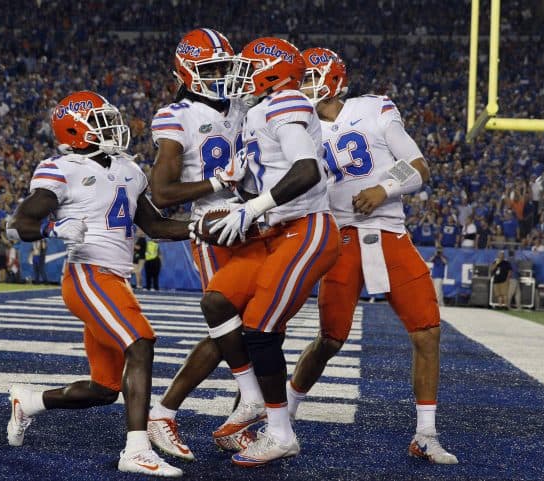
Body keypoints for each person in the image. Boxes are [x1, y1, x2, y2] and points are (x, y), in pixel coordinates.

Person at [5, 90, 190, 477]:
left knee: (105, 389)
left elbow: (156, 227)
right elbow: (21, 223)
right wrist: (53, 230)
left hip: (115, 280)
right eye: (100, 120)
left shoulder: (129, 169)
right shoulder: (62, 167)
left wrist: (206, 226)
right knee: (141, 342)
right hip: (87, 276)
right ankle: (136, 451)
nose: (112, 126)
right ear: (74, 130)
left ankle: (31, 401)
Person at [288, 48, 457, 464]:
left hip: (387, 230)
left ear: (334, 79)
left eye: (309, 77)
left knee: (427, 331)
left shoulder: (374, 108)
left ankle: (425, 433)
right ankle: (282, 419)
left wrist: (384, 189)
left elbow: (418, 165)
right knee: (330, 339)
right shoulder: (294, 125)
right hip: (340, 236)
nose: (302, 85)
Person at [197, 37, 340, 467]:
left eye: (248, 66)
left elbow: (306, 170)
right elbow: (268, 170)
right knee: (218, 301)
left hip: (306, 228)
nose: (239, 75)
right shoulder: (257, 110)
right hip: (273, 231)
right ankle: (254, 399)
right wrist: (239, 187)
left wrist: (253, 207)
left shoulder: (286, 102)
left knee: (260, 330)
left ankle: (280, 433)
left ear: (272, 70)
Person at [146, 28, 250, 460]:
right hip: (212, 226)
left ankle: (237, 419)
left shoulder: (245, 103)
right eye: (212, 69)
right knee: (230, 327)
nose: (223, 76)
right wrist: (214, 181)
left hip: (250, 221)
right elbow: (162, 192)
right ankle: (164, 412)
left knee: (257, 328)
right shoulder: (176, 116)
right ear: (188, 73)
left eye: (226, 66)